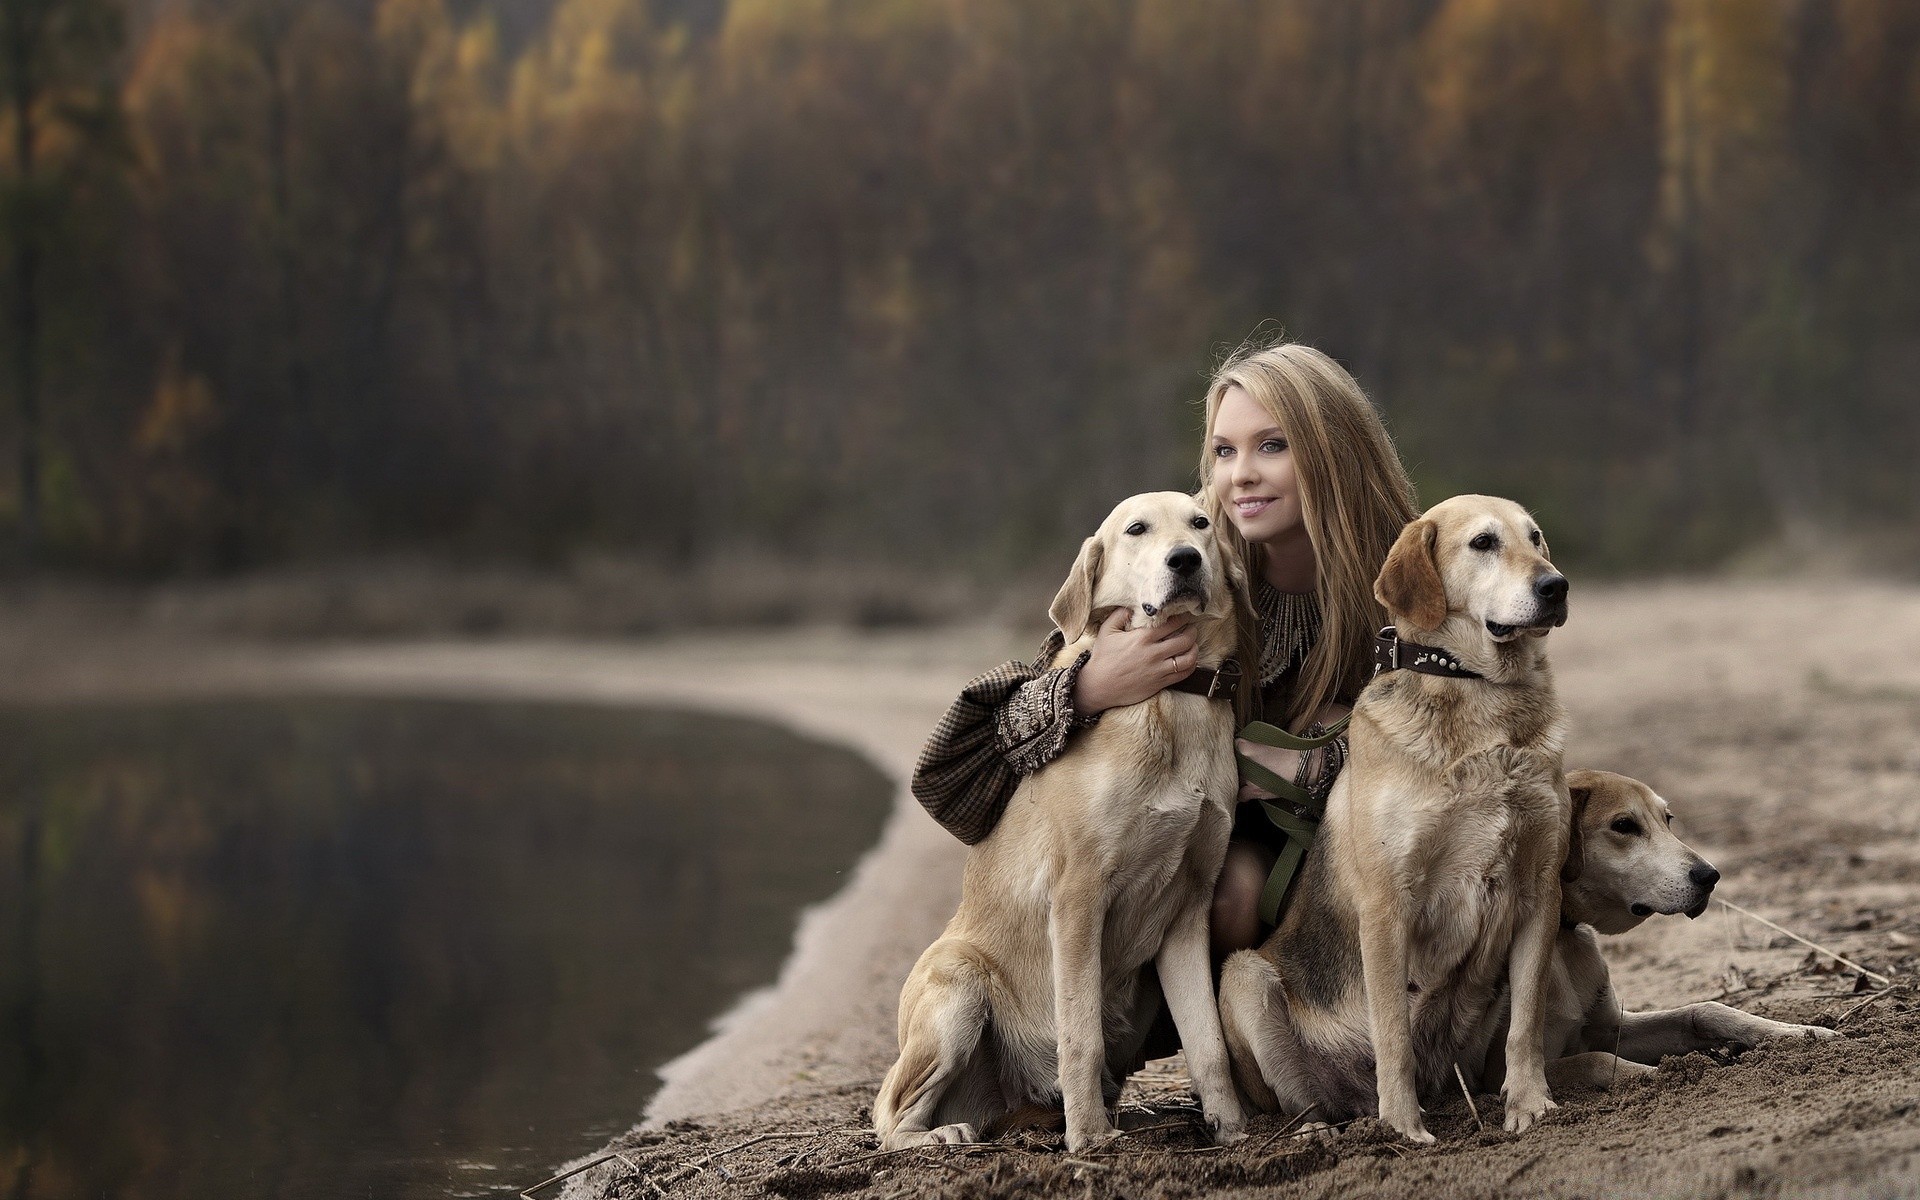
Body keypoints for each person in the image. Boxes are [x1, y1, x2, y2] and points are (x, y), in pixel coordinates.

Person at [911, 339, 1419, 955]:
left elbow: (1463, 742)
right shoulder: (1180, 553)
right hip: (1207, 840)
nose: (1241, 475)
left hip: (1377, 832)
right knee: (1233, 892)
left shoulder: (1409, 573)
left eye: (1273, 446)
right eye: (1224, 451)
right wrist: (1092, 686)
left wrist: (1321, 761)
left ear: (1333, 450)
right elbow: (956, 777)